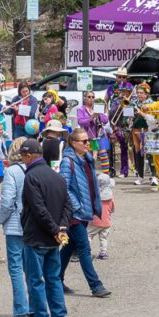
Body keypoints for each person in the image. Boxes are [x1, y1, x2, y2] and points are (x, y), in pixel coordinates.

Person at [15, 138, 69, 317]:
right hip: (53, 238)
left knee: (36, 280)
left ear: (29, 156)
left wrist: (55, 229)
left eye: (23, 156)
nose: (22, 160)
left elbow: (38, 209)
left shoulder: (31, 177)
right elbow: (67, 205)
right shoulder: (56, 176)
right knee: (53, 278)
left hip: (37, 236)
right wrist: (61, 229)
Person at [58, 127, 112, 297]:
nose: (88, 144)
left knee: (69, 247)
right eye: (84, 141)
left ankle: (55, 279)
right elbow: (64, 188)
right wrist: (78, 206)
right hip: (74, 213)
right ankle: (95, 285)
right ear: (73, 143)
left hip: (84, 210)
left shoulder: (86, 158)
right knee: (84, 247)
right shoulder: (68, 161)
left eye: (88, 140)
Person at [0, 141, 33, 317]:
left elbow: (8, 200)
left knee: (16, 268)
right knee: (32, 268)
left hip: (16, 224)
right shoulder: (33, 169)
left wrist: (1, 218)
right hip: (32, 224)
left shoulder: (12, 171)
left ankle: (21, 310)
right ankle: (35, 306)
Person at [90, 171, 114, 260]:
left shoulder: (94, 196)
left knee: (88, 235)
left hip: (94, 221)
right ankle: (103, 253)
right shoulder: (110, 197)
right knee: (103, 238)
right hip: (106, 222)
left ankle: (87, 251)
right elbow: (112, 209)